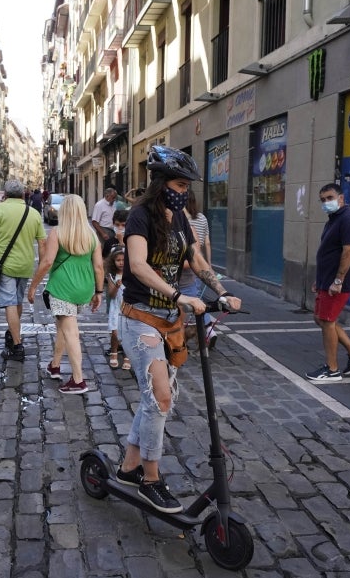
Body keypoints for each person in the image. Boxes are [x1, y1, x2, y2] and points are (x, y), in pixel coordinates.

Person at [117, 146, 241, 513]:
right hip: (140, 317)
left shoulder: (181, 218)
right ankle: (149, 479)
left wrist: (222, 290)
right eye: (178, 183)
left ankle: (128, 468)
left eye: (187, 186)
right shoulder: (140, 216)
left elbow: (195, 257)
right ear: (160, 182)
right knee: (160, 397)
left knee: (156, 400)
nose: (184, 191)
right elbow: (138, 266)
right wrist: (177, 294)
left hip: (170, 321)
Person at [28, 194, 103, 394]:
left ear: (65, 211)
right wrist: (99, 291)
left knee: (71, 332)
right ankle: (55, 365)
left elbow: (47, 262)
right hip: (84, 288)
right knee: (63, 325)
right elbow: (98, 267)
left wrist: (33, 286)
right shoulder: (91, 235)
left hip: (63, 288)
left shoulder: (58, 233)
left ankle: (78, 380)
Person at [306, 183, 350, 382]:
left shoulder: (348, 219)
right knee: (321, 318)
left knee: (327, 321)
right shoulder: (333, 219)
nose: (326, 202)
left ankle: (332, 369)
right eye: (323, 199)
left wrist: (338, 280)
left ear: (341, 198)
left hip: (337, 282)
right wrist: (320, 279)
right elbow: (329, 251)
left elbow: (348, 250)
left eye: (330, 198)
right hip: (327, 280)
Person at [0, 179, 47, 361]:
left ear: (6, 194)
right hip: (25, 265)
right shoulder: (33, 213)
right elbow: (42, 242)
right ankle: (12, 333)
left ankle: (17, 345)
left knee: (9, 303)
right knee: (17, 301)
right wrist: (41, 265)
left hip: (4, 265)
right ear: (23, 194)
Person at [179, 190, 218, 347]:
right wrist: (208, 264)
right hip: (198, 262)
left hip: (185, 263)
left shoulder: (182, 219)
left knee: (189, 301)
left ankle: (201, 331)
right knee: (196, 298)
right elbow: (207, 242)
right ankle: (208, 330)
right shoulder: (202, 218)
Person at [104, 246, 131, 371]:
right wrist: (116, 286)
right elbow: (111, 294)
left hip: (128, 307)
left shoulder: (131, 274)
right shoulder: (112, 275)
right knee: (115, 332)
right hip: (116, 307)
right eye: (118, 260)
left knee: (128, 332)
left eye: (123, 260)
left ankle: (127, 356)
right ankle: (114, 352)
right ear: (113, 262)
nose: (121, 262)